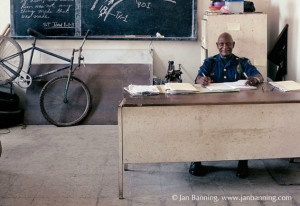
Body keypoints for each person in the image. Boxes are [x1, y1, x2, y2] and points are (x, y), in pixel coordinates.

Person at [190, 32, 264, 178]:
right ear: (217, 46)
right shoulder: (209, 62)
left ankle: (242, 162)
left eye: (228, 43)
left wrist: (254, 80)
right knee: (199, 126)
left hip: (236, 107)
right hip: (212, 106)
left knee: (242, 129)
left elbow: (259, 75)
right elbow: (198, 77)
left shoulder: (242, 62)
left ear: (233, 45)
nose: (225, 47)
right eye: (222, 44)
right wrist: (201, 81)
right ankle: (196, 160)